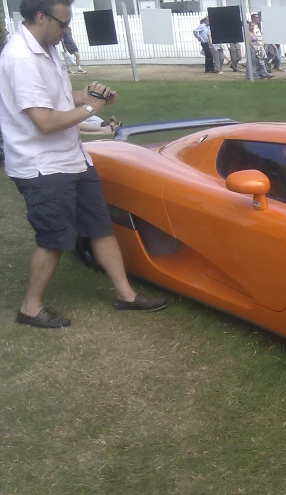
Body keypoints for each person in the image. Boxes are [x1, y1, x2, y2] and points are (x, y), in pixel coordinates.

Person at [0, 0, 168, 329]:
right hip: (42, 167)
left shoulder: (47, 47)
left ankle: (126, 296)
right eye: (63, 23)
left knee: (100, 227)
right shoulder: (20, 58)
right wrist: (91, 108)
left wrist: (91, 94)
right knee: (54, 239)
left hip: (73, 159)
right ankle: (30, 308)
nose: (67, 30)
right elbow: (45, 121)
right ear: (40, 16)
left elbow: (59, 97)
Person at [248, 14, 272, 80]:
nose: (253, 27)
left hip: (259, 47)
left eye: (253, 26)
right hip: (254, 49)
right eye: (251, 26)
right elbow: (249, 42)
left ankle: (264, 74)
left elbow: (258, 39)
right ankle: (261, 74)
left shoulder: (255, 30)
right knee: (256, 62)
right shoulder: (249, 33)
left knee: (261, 61)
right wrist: (254, 48)